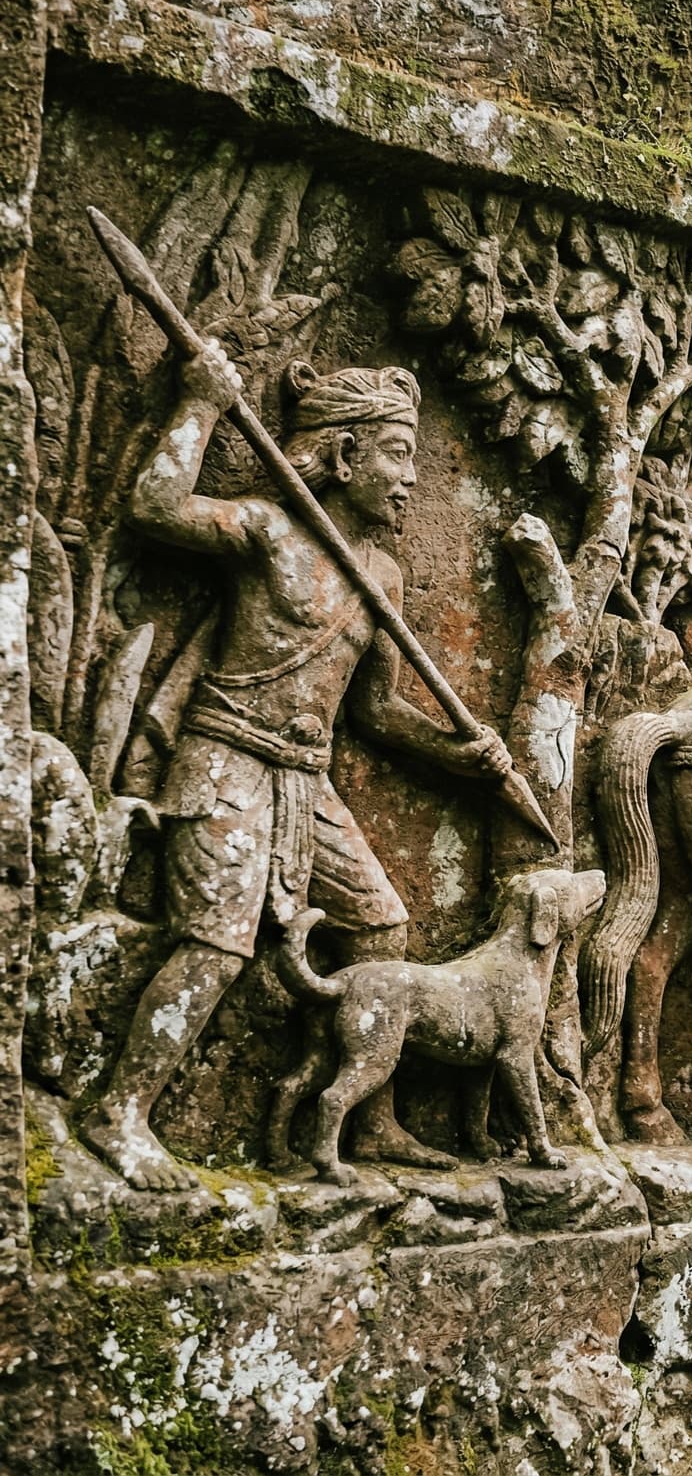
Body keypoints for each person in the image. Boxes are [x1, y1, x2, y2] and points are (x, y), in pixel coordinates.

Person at [80, 345, 515, 1191]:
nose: (408, 479)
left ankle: (369, 1116)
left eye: (417, 460)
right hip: (228, 761)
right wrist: (202, 402)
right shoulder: (270, 531)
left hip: (306, 781)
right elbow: (154, 503)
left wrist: (460, 753)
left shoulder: (380, 574)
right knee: (216, 943)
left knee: (383, 926)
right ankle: (120, 1110)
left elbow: (376, 711)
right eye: (395, 453)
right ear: (345, 454)